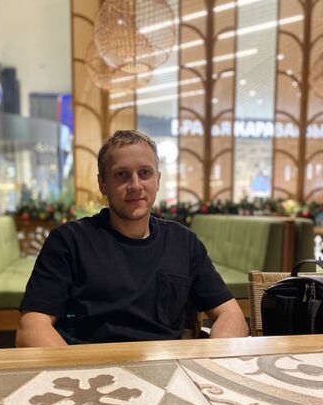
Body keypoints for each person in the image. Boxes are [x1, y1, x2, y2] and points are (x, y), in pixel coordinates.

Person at [16, 130, 249, 348]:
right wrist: (77, 370)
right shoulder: (69, 241)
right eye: (121, 175)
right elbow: (31, 327)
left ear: (157, 180)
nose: (135, 185)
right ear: (102, 184)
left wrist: (211, 359)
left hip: (165, 366)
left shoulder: (183, 242)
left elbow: (231, 314)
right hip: (92, 366)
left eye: (145, 173)